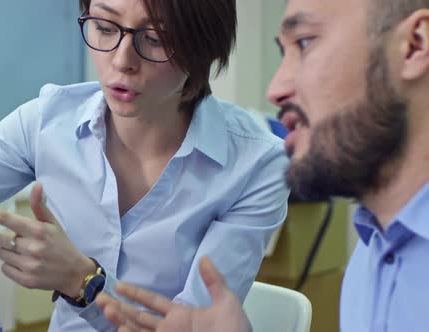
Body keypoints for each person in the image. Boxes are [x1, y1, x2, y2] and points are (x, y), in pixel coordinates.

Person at [0, 0, 290, 331]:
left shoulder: (256, 164)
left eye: (154, 39)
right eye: (103, 27)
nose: (121, 60)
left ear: (203, 49)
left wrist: (84, 281)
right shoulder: (47, 120)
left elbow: (192, 325)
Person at [95, 0, 429, 331]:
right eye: (104, 28)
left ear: (414, 45)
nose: (276, 89)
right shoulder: (373, 250)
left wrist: (82, 281)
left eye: (305, 42)